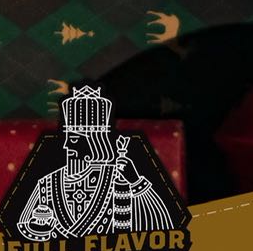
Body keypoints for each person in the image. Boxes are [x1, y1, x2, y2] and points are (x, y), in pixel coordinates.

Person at [16, 86, 176, 240]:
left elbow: (163, 225)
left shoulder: (119, 178)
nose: (66, 146)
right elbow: (20, 230)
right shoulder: (47, 184)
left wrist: (136, 182)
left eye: (73, 139)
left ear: (94, 142)